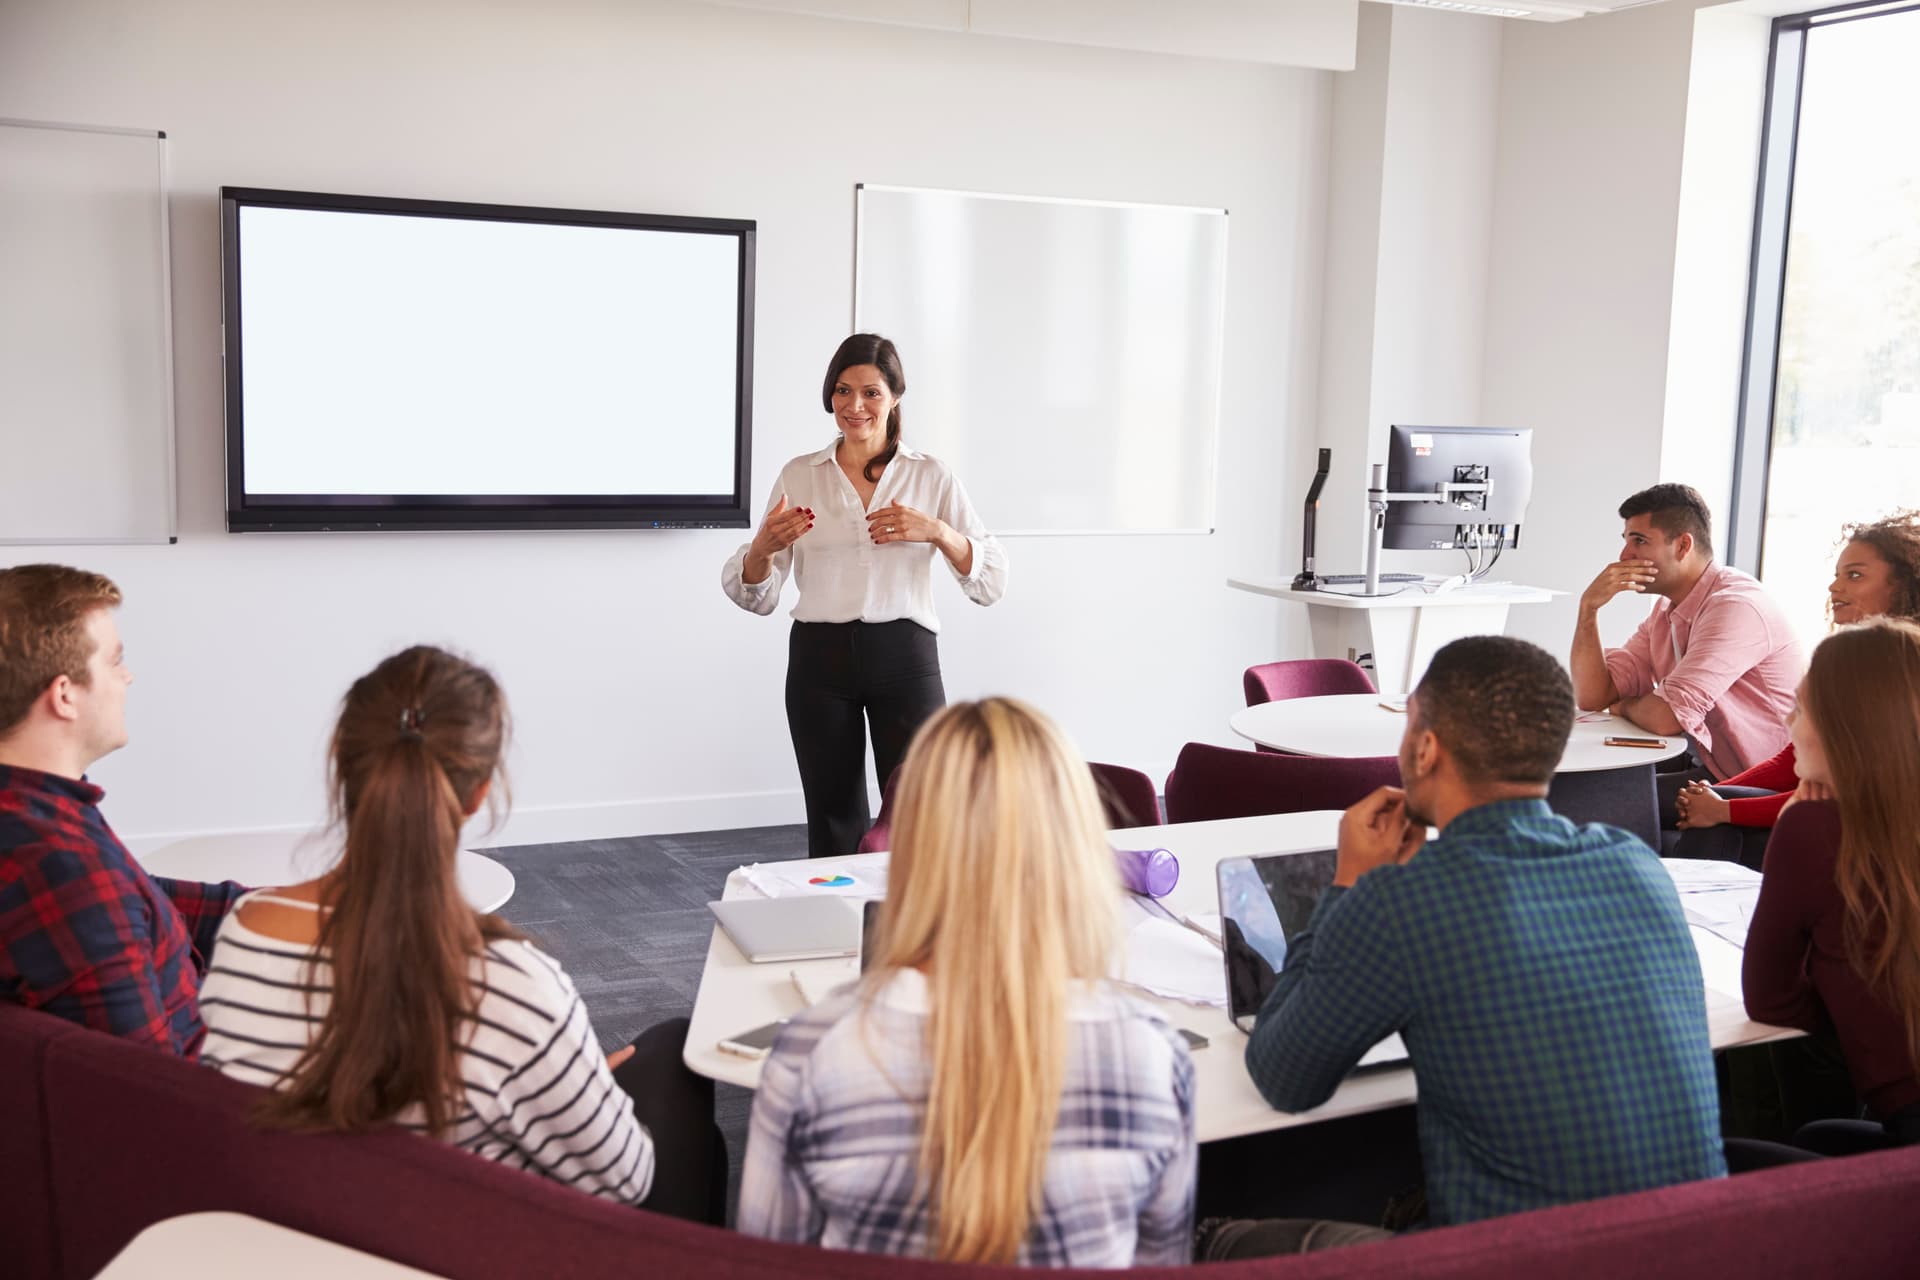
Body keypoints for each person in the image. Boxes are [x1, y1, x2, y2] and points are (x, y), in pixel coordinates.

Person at [1208, 636, 1724, 1258]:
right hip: (1695, 1250)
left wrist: (1349, 885)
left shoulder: (1404, 900)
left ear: (1425, 748)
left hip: (1515, 1263)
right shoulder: (1636, 865)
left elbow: (1283, 1077)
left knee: (1214, 1230)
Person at [197, 646, 726, 1222]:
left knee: (666, 1045)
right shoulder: (511, 983)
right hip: (467, 1244)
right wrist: (578, 1077)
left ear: (341, 765)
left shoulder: (245, 931)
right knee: (676, 1056)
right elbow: (625, 1181)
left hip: (293, 1232)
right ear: (479, 793)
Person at [737, 698, 1196, 1265]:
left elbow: (767, 1265)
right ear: (1076, 848)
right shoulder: (1153, 1054)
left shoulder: (812, 1052)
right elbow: (1160, 1262)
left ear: (911, 849)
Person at [721, 334, 1007, 858]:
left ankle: (922, 932)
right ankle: (841, 931)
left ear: (896, 396)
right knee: (832, 817)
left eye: (871, 392)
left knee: (923, 809)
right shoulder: (799, 474)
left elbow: (991, 583)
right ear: (830, 396)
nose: (855, 406)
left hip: (906, 655)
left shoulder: (930, 475)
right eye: (843, 391)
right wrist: (761, 548)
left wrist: (938, 532)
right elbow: (757, 595)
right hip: (818, 660)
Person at [0, 564, 243, 1054]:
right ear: (64, 694)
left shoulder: (37, 813)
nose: (128, 677)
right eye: (115, 662)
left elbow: (142, 903)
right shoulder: (65, 866)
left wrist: (309, 908)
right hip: (218, 1110)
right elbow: (151, 1099)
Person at [1742, 617, 1920, 1154]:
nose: (1788, 723)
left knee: (1731, 1159)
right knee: (1820, 1137)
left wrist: (1845, 1009)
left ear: (1846, 725)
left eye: (1800, 708)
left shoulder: (1816, 828)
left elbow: (1770, 1001)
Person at [1676, 510, 1920, 867]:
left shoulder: (1897, 672)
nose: (1835, 588)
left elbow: (1844, 797)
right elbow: (1791, 762)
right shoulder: (1847, 659)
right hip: (1826, 812)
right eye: (1837, 576)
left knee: (1712, 822)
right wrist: (1713, 797)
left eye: (1854, 576)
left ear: (1903, 584)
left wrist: (1723, 809)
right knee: (1701, 814)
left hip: (1873, 835)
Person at [1569, 483, 1805, 828]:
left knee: (1598, 800)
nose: (1624, 556)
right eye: (1626, 540)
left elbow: (1666, 718)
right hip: (1708, 765)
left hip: (1757, 782)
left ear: (1682, 546)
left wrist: (1624, 705)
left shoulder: (1734, 606)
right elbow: (1593, 696)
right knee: (1583, 785)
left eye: (1639, 541)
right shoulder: (1666, 610)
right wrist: (1588, 609)